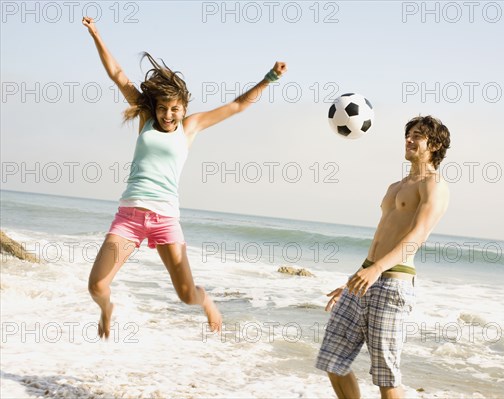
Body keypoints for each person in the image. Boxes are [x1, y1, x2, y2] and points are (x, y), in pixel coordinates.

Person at [82, 16, 287, 339]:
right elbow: (117, 75)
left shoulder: (191, 127)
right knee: (96, 285)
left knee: (186, 293)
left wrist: (268, 79)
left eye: (174, 108)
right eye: (163, 108)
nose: (167, 114)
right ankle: (108, 309)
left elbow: (236, 106)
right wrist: (96, 34)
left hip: (165, 218)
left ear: (184, 107)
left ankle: (207, 302)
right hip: (129, 217)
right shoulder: (146, 118)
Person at [316, 115, 451, 398]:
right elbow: (383, 237)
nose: (409, 140)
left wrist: (376, 270)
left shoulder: (434, 185)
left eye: (417, 136)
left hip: (392, 285)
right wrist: (358, 279)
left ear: (435, 145)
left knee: (385, 376)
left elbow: (418, 235)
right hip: (366, 278)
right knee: (333, 360)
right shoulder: (396, 186)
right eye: (408, 135)